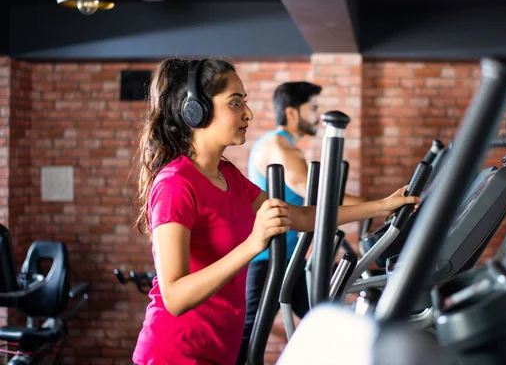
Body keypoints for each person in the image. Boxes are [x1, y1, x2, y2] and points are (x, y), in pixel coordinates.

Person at [131, 57, 419, 365]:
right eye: (235, 102)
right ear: (197, 110)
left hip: (218, 353)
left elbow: (302, 217)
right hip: (174, 355)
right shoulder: (175, 184)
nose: (248, 113)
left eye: (245, 102)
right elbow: (174, 297)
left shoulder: (228, 176)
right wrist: (253, 244)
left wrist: (383, 205)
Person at [237, 82, 368, 364]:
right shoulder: (278, 147)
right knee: (248, 336)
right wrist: (380, 205)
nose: (318, 116)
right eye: (314, 108)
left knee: (321, 319)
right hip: (267, 261)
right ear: (293, 112)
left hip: (289, 260)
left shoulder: (285, 146)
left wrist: (381, 206)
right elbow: (318, 193)